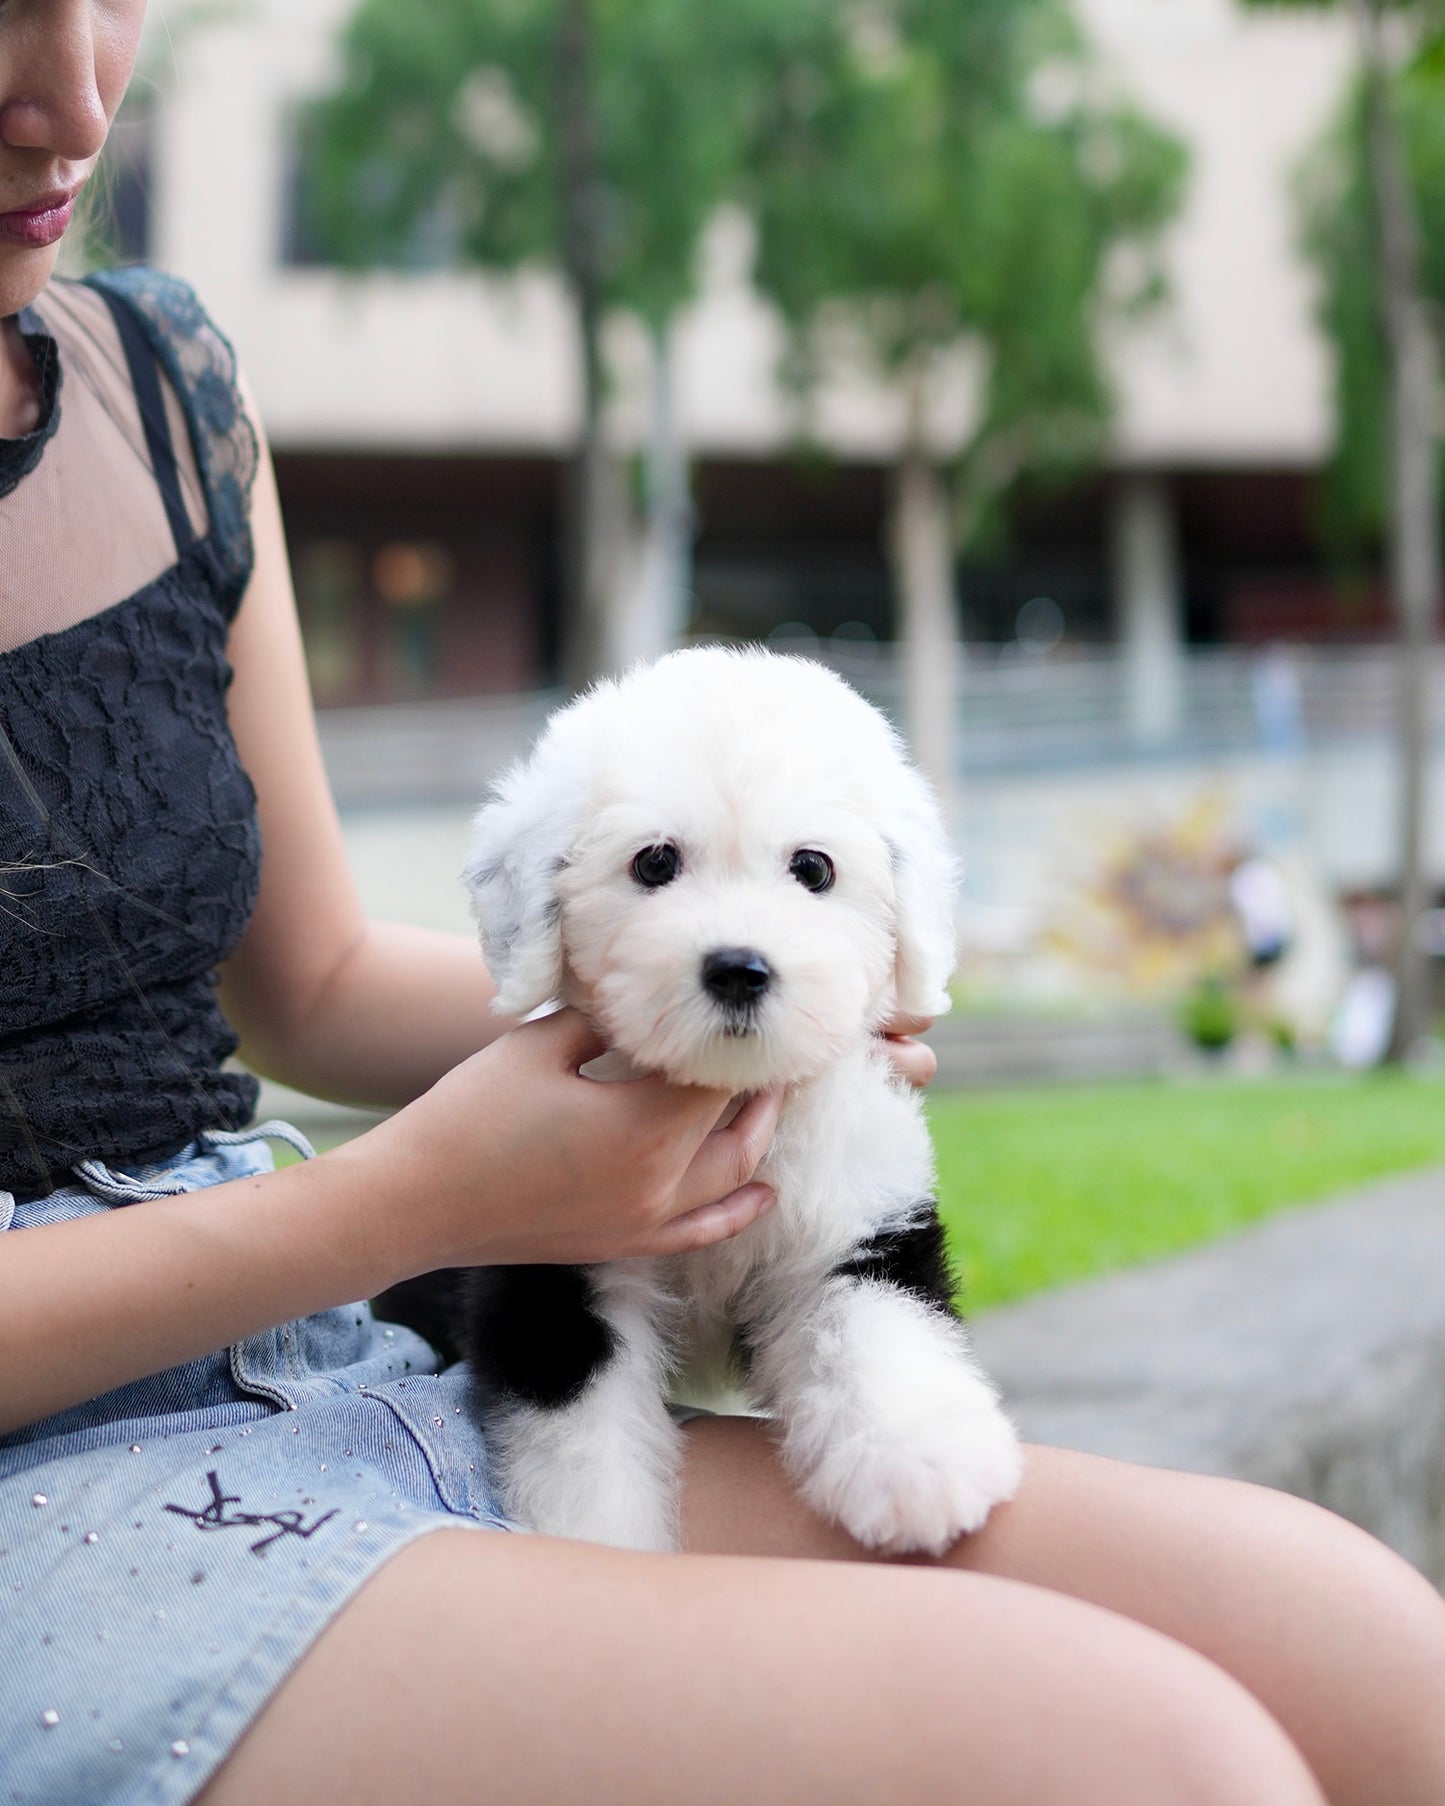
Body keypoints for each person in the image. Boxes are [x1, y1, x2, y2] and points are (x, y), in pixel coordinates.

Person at [2, 8, 1443, 1805]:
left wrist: (703, 1024)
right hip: (53, 1502)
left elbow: (316, 979)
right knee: (1167, 1765)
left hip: (305, 1362)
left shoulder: (164, 386)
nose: (72, 100)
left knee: (1366, 1658)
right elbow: (390, 1182)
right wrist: (415, 1202)